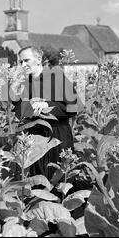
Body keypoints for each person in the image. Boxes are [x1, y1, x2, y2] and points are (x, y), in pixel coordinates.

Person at [10, 46, 82, 181]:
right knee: (37, 181)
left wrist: (47, 105)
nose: (23, 65)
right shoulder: (24, 83)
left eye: (26, 60)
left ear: (38, 59)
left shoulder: (57, 78)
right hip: (34, 137)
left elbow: (74, 107)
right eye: (20, 62)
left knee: (59, 179)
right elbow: (20, 114)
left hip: (57, 135)